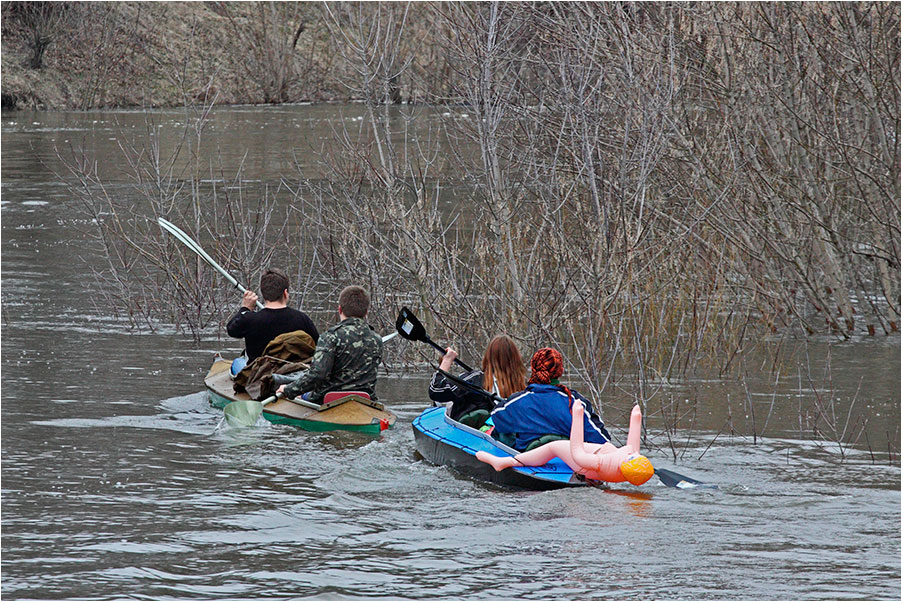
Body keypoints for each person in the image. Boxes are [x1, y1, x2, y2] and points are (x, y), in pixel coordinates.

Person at [477, 402, 654, 486]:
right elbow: (633, 446)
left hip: (589, 463)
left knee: (554, 446)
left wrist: (577, 416)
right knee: (589, 448)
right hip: (598, 453)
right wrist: (636, 417)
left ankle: (509, 462)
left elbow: (576, 452)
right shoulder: (629, 460)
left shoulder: (601, 464)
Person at [490, 347, 611, 451]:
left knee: (500, 434)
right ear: (561, 371)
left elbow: (496, 418)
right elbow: (602, 440)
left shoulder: (518, 401)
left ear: (533, 369)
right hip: (570, 464)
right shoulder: (576, 402)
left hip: (528, 459)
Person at [276, 285, 383, 403]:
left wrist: (288, 390)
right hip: (365, 400)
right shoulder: (377, 340)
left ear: (340, 309)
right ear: (366, 312)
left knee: (300, 396)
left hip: (327, 400)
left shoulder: (330, 337)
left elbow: (318, 375)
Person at [226, 268, 319, 362]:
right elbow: (317, 345)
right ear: (285, 293)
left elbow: (231, 329)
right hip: (293, 373)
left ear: (262, 293)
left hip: (259, 374)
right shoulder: (302, 319)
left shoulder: (249, 319)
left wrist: (245, 308)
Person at [428, 335, 526, 423]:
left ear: (488, 357)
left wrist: (446, 361)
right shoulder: (525, 389)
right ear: (516, 360)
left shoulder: (474, 380)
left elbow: (435, 391)